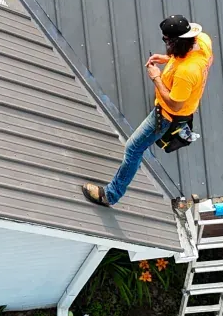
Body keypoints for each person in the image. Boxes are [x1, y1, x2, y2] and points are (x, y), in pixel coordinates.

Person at [84, 14, 213, 207]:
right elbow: (195, 57)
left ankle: (110, 195)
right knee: (134, 148)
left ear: (175, 42)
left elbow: (174, 104)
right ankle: (112, 194)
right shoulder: (203, 42)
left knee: (133, 148)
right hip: (180, 108)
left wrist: (156, 78)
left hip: (167, 116)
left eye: (166, 40)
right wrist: (169, 59)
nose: (164, 43)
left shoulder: (187, 72)